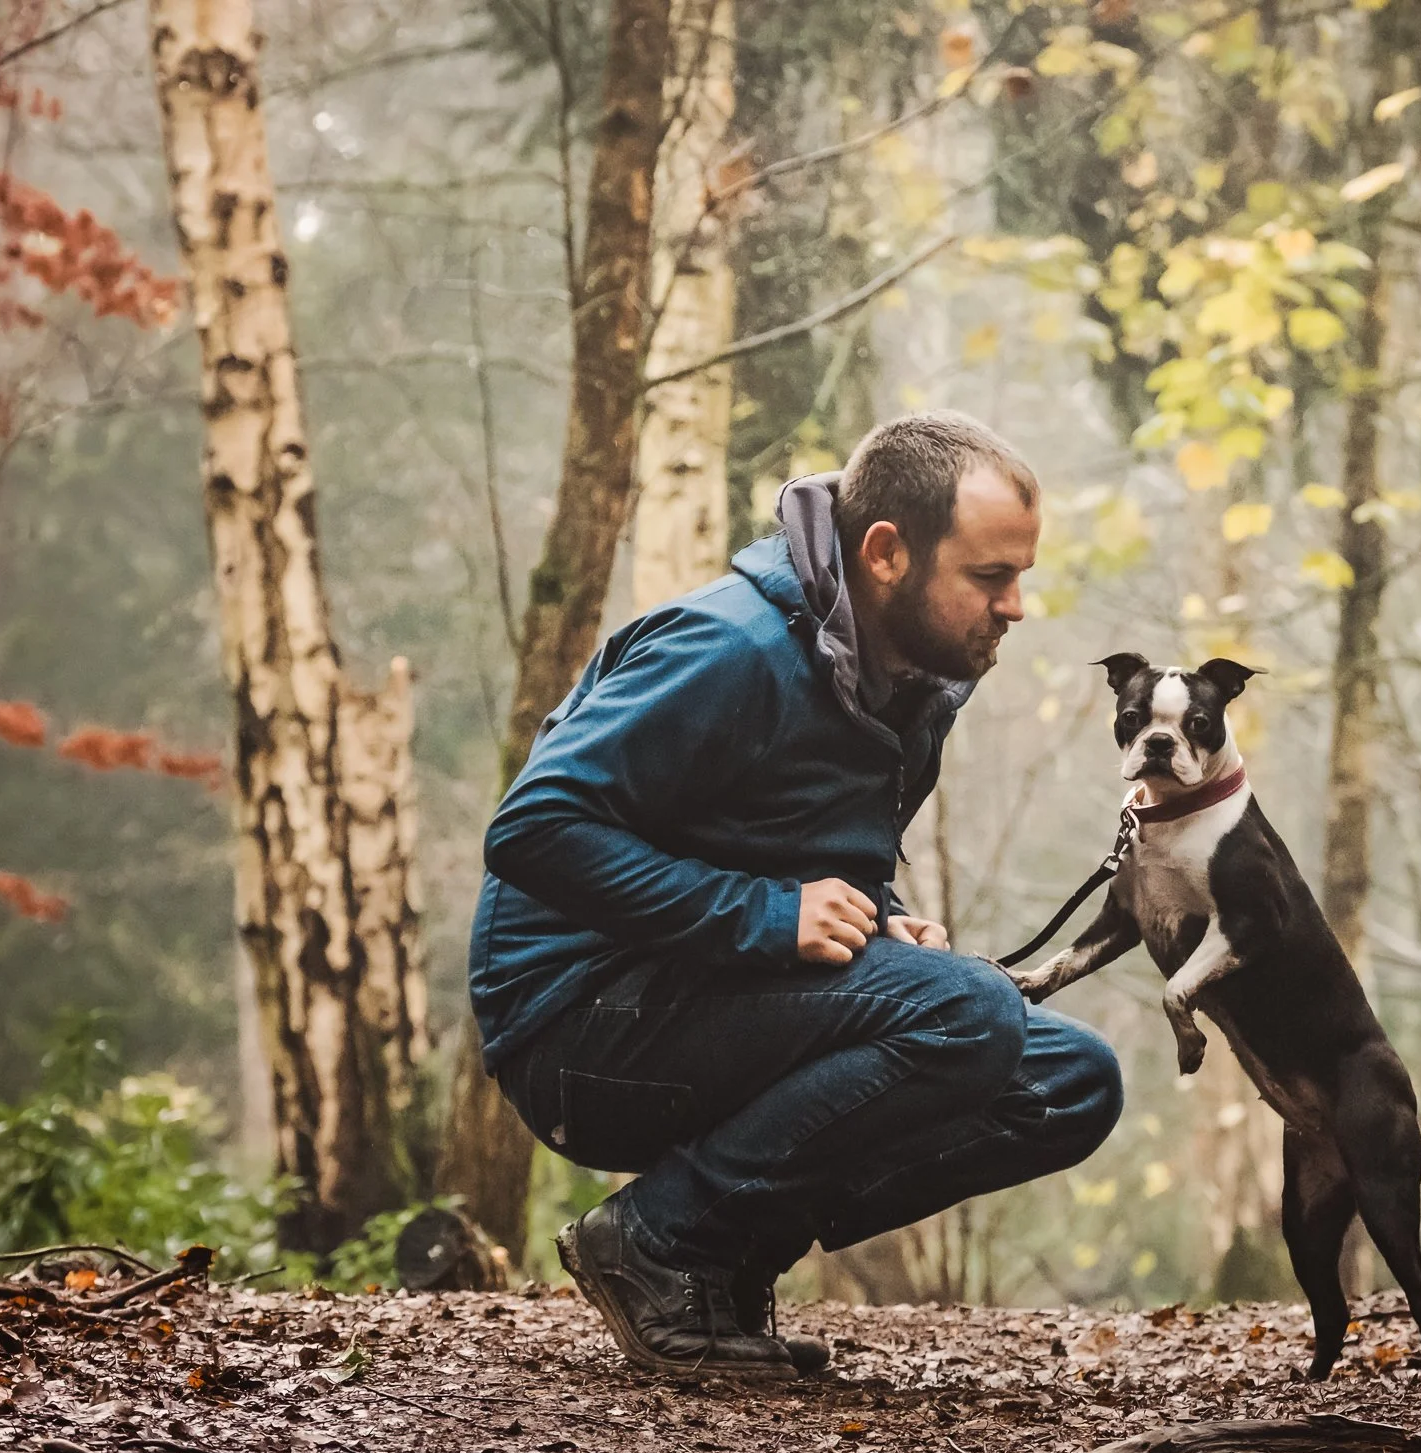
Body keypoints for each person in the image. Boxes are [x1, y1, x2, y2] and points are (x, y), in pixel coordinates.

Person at [468, 410, 1124, 1377]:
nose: (1017, 605)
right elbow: (531, 831)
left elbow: (797, 842)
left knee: (1068, 1080)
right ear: (888, 553)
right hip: (576, 1028)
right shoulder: (728, 648)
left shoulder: (913, 682)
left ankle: (723, 1252)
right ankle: (657, 1241)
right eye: (990, 576)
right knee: (971, 1016)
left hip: (702, 995)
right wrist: (773, 916)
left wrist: (879, 916)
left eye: (1020, 575)